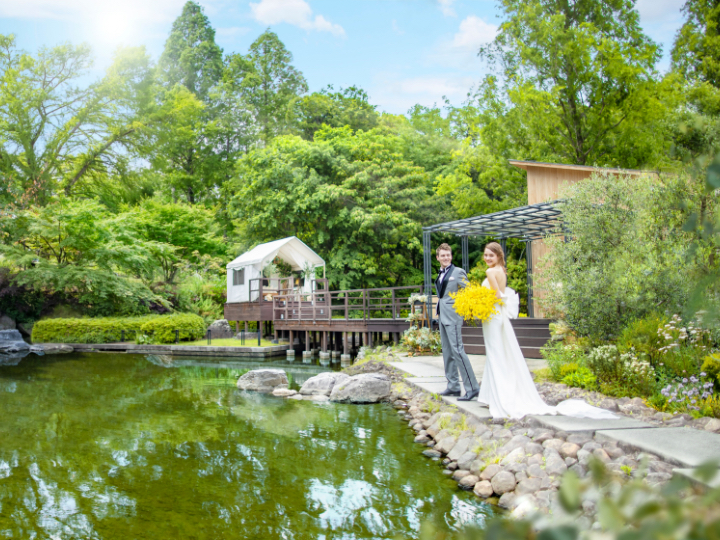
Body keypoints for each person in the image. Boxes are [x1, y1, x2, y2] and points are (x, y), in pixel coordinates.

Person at [478, 242, 616, 419]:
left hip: (492, 315)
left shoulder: (490, 272)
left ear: (498, 256)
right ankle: (492, 395)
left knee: (496, 354)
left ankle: (501, 398)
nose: (487, 258)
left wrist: (479, 303)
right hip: (499, 316)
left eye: (491, 255)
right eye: (486, 255)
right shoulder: (502, 271)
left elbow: (496, 296)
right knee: (499, 353)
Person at [434, 243, 479, 401]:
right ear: (438, 257)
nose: (446, 258)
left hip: (453, 316)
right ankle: (453, 386)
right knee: (447, 352)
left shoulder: (458, 272)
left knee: (458, 351)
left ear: (451, 256)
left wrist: (465, 310)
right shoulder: (440, 273)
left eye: (448, 255)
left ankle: (472, 387)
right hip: (442, 316)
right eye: (443, 255)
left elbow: (468, 291)